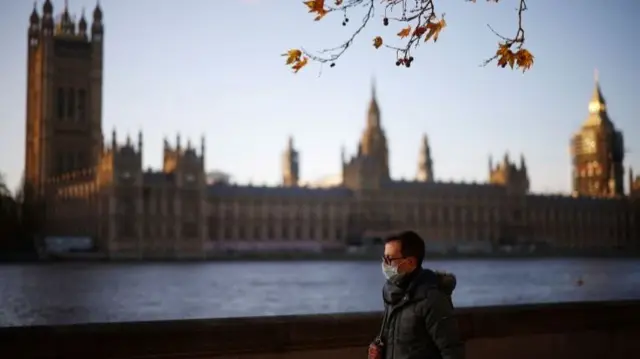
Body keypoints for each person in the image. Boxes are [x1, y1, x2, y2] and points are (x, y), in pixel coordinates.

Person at [368, 230, 465, 359]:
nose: (385, 265)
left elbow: (451, 350)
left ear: (411, 262)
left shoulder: (432, 299)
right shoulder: (392, 294)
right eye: (384, 258)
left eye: (390, 259)